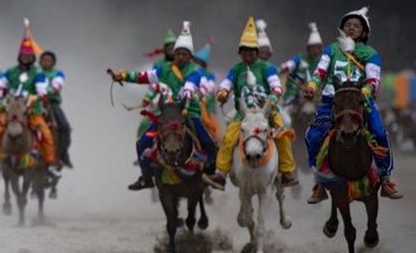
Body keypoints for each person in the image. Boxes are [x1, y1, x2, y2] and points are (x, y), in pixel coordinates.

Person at [304, 7, 402, 203]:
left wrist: (365, 92)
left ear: (364, 32)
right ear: (342, 29)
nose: (351, 28)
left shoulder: (371, 53)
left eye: (356, 26)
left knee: (380, 133)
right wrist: (313, 86)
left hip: (360, 102)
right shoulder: (331, 50)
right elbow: (320, 72)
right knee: (312, 135)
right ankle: (320, 183)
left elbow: (373, 80)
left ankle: (385, 179)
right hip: (332, 101)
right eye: (347, 25)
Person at [110, 22, 217, 190]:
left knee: (209, 143)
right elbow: (144, 77)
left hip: (188, 112)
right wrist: (122, 76)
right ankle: (146, 177)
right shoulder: (164, 69)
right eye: (178, 53)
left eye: (184, 54)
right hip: (166, 113)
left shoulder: (196, 70)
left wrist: (187, 94)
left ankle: (211, 173)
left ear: (190, 56)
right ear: (174, 55)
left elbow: (191, 84)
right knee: (142, 143)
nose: (180, 57)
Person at [203, 17, 299, 191]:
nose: (248, 55)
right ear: (240, 53)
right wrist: (223, 92)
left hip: (267, 112)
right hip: (244, 114)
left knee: (283, 134)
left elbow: (276, 87)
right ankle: (221, 174)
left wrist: (272, 100)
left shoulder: (267, 67)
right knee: (229, 138)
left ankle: (286, 172)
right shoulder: (236, 69)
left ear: (257, 51)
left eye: (251, 51)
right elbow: (227, 83)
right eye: (244, 52)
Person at [0, 19, 58, 175]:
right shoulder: (10, 71)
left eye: (29, 57)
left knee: (47, 135)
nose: (26, 59)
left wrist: (33, 98)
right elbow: (1, 88)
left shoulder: (38, 73)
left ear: (32, 58)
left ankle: (49, 164)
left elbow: (42, 92)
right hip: (11, 110)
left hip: (32, 111)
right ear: (20, 57)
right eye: (23, 56)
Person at [36, 51, 73, 169]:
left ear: (53, 63)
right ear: (40, 62)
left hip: (52, 103)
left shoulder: (58, 74)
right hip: (35, 103)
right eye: (44, 60)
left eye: (49, 60)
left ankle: (63, 153)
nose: (46, 62)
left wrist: (46, 94)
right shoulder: (35, 73)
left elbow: (57, 86)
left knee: (64, 126)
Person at [280, 22, 324, 107]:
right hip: (294, 96)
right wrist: (284, 67)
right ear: (308, 48)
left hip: (314, 95)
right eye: (313, 48)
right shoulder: (300, 58)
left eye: (318, 48)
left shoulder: (322, 62)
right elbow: (288, 65)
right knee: (286, 117)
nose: (316, 51)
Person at [193, 39, 222, 142]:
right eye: (195, 61)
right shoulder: (188, 71)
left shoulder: (209, 75)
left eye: (199, 62)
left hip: (207, 108)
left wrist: (203, 99)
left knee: (216, 133)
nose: (196, 64)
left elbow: (211, 90)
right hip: (190, 105)